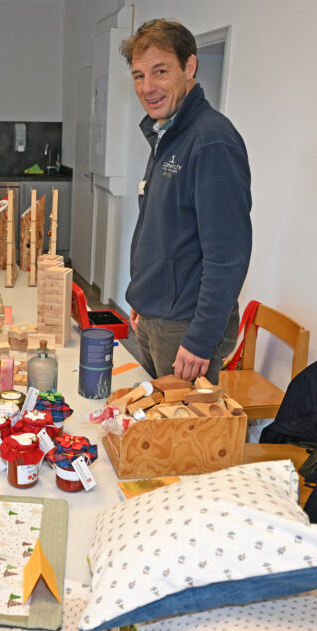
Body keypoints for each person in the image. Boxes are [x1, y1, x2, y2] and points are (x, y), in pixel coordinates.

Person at [120, 19, 252, 384]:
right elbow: (162, 230)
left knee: (183, 437)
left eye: (160, 71)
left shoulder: (211, 141)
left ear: (189, 67)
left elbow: (227, 255)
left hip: (185, 329)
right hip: (155, 316)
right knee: (155, 428)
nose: (148, 88)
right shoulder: (167, 132)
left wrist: (201, 339)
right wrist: (143, 297)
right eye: (138, 75)